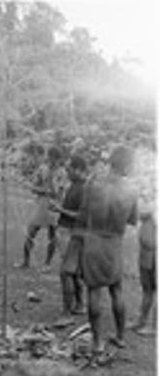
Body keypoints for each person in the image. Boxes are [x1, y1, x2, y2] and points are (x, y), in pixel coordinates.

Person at [80, 145, 138, 356]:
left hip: (94, 241)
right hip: (114, 243)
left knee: (94, 291)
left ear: (111, 161)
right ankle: (120, 337)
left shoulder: (93, 182)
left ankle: (97, 342)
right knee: (117, 290)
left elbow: (84, 210)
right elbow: (132, 219)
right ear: (127, 164)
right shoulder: (132, 189)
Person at [53, 154, 87, 317]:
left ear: (78, 169)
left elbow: (81, 215)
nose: (67, 172)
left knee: (66, 272)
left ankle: (67, 312)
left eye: (69, 169)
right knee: (74, 271)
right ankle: (79, 304)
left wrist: (59, 210)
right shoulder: (74, 185)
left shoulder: (83, 188)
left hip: (71, 232)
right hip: (68, 231)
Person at [20, 146, 66, 269]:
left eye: (55, 159)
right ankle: (25, 261)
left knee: (52, 236)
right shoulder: (42, 169)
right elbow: (33, 188)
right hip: (40, 204)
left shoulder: (62, 173)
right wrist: (44, 190)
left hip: (53, 207)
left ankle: (47, 263)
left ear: (59, 160)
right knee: (30, 232)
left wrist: (48, 186)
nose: (51, 161)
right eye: (50, 157)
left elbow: (58, 194)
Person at [128, 205, 157, 335]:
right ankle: (141, 320)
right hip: (147, 256)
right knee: (147, 290)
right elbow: (139, 214)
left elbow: (147, 211)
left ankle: (155, 327)